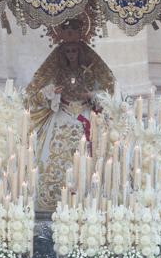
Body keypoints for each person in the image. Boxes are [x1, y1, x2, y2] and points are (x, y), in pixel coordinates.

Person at [26, 37, 114, 211]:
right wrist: (53, 92)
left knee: (90, 151)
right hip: (62, 113)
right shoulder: (57, 72)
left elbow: (108, 93)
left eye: (74, 51)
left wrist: (91, 96)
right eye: (68, 51)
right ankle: (55, 193)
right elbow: (36, 94)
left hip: (85, 114)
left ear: (80, 52)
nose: (71, 55)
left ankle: (87, 192)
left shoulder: (91, 70)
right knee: (53, 152)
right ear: (62, 53)